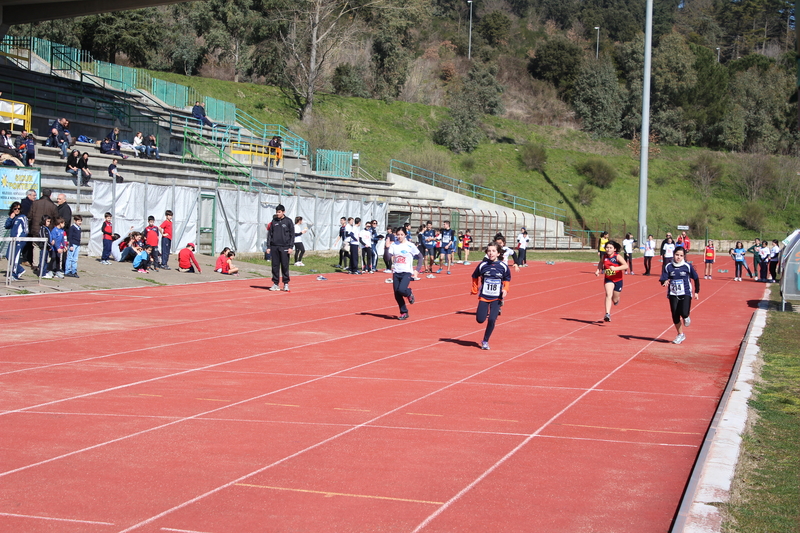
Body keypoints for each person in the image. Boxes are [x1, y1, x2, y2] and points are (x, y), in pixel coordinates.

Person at [471, 241, 512, 350]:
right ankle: (486, 312)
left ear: (498, 253)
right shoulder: (483, 265)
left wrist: (505, 289)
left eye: (493, 251)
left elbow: (507, 278)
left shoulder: (503, 266)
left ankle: (485, 341)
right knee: (480, 319)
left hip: (497, 297)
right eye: (489, 251)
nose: (491, 253)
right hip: (484, 296)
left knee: (492, 319)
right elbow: (475, 276)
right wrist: (474, 288)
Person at [659, 247, 700, 345]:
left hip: (685, 292)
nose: (678, 257)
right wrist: (664, 282)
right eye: (677, 255)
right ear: (674, 254)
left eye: (681, 256)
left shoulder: (687, 266)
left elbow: (696, 278)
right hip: (673, 293)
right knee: (675, 315)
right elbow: (663, 278)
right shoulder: (668, 266)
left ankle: (686, 317)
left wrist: (697, 291)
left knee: (684, 312)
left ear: (684, 256)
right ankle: (680, 334)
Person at [389, 227, 419, 320]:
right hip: (396, 272)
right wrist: (387, 249)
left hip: (406, 272)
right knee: (397, 294)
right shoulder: (394, 245)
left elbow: (420, 257)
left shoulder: (410, 245)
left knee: (401, 290)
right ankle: (404, 312)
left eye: (401, 234)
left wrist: (417, 269)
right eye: (398, 234)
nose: (399, 236)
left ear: (405, 235)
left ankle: (409, 293)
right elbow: (388, 256)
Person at [595, 240, 628, 323]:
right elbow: (600, 263)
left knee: (615, 298)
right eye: (607, 247)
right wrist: (598, 270)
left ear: (614, 249)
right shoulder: (604, 256)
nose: (608, 249)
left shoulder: (617, 256)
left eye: (610, 248)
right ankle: (607, 314)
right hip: (608, 278)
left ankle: (616, 300)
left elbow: (625, 266)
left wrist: (616, 268)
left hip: (618, 279)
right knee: (608, 294)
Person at [28, 189, 58, 275]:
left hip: (36, 228)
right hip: (47, 231)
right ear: (50, 195)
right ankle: (44, 264)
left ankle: (35, 264)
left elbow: (30, 215)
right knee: (45, 247)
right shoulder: (53, 206)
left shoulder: (35, 203)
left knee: (36, 246)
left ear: (42, 194)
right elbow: (56, 218)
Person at [267, 204, 294, 290]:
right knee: (275, 266)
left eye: (279, 212)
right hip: (274, 246)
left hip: (284, 247)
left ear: (283, 212)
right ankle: (275, 283)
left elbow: (292, 235)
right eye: (277, 212)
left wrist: (290, 247)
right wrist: (268, 246)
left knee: (285, 265)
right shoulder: (274, 221)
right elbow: (270, 234)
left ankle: (286, 283)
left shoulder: (288, 221)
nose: (277, 214)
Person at [5, 202, 27, 280]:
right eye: (15, 209)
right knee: (8, 256)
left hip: (19, 241)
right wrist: (10, 218)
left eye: (18, 208)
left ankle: (15, 274)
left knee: (15, 257)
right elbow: (7, 226)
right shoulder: (13, 217)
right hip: (12, 240)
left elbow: (26, 230)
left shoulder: (22, 217)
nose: (17, 210)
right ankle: (20, 269)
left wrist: (21, 239)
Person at [56, 193, 73, 272]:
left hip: (64, 232)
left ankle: (63, 267)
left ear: (64, 200)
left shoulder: (66, 208)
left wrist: (60, 226)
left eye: (59, 199)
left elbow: (66, 221)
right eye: (58, 199)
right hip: (59, 231)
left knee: (63, 250)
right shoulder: (59, 207)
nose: (58, 200)